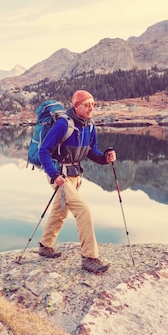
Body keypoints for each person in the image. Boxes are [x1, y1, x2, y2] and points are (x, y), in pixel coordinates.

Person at [37, 89, 116, 273]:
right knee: (83, 210)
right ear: (76, 105)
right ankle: (90, 258)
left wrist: (105, 158)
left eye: (93, 105)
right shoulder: (63, 124)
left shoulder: (90, 125)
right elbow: (43, 151)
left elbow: (92, 152)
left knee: (60, 210)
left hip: (75, 175)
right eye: (87, 105)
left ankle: (45, 246)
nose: (91, 108)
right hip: (59, 174)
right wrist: (54, 175)